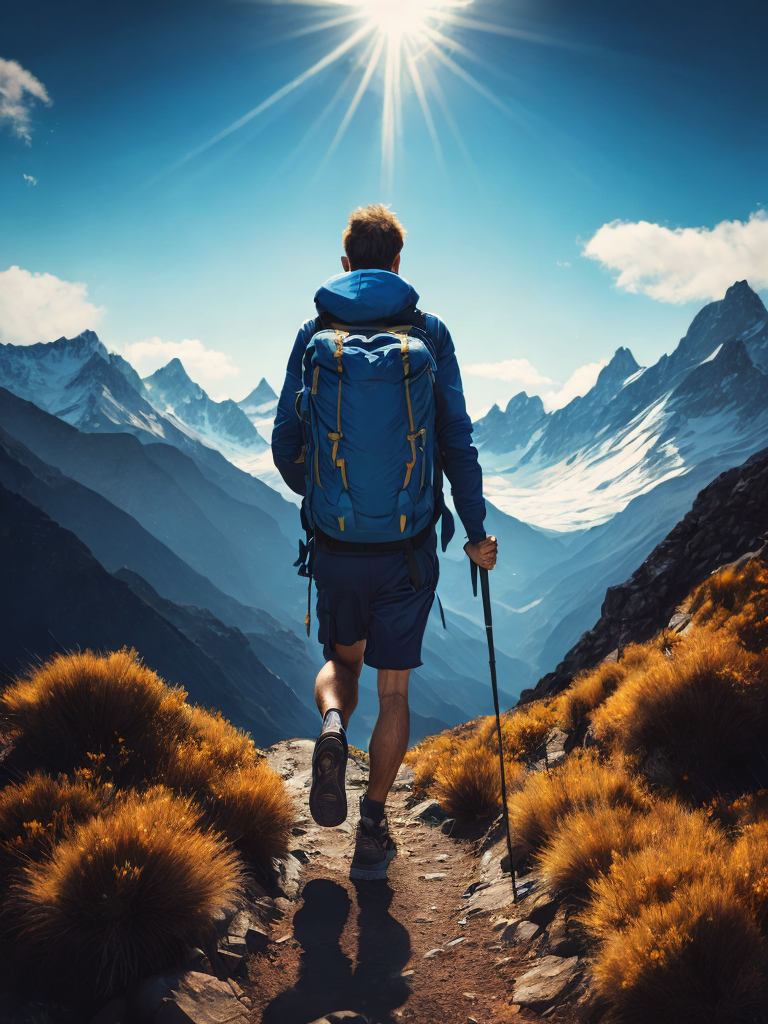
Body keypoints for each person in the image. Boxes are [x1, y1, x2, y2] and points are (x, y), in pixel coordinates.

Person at [272, 203, 497, 880]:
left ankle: (333, 727)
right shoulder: (429, 332)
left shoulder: (316, 332)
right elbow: (457, 441)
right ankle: (373, 823)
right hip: (408, 549)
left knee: (343, 667)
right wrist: (476, 532)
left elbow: (286, 443)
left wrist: (319, 493)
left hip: (338, 544)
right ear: (398, 264)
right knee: (394, 693)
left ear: (346, 265)